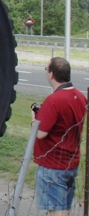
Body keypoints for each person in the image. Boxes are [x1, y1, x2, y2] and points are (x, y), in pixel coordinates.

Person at [32, 57, 87, 215]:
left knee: (56, 210)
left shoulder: (54, 101)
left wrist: (34, 120)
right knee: (65, 207)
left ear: (51, 74)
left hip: (53, 164)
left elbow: (41, 133)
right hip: (71, 161)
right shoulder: (80, 97)